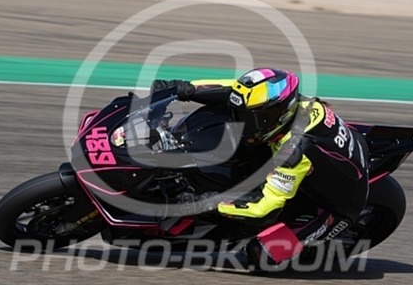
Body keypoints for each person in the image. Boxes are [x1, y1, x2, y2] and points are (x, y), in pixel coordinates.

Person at [151, 68, 369, 268]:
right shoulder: (287, 104)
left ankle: (305, 236)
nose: (244, 122)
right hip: (329, 157)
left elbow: (265, 208)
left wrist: (210, 203)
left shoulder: (294, 150)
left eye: (253, 119)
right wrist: (184, 89)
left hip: (338, 204)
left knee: (261, 254)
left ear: (280, 114)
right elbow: (232, 90)